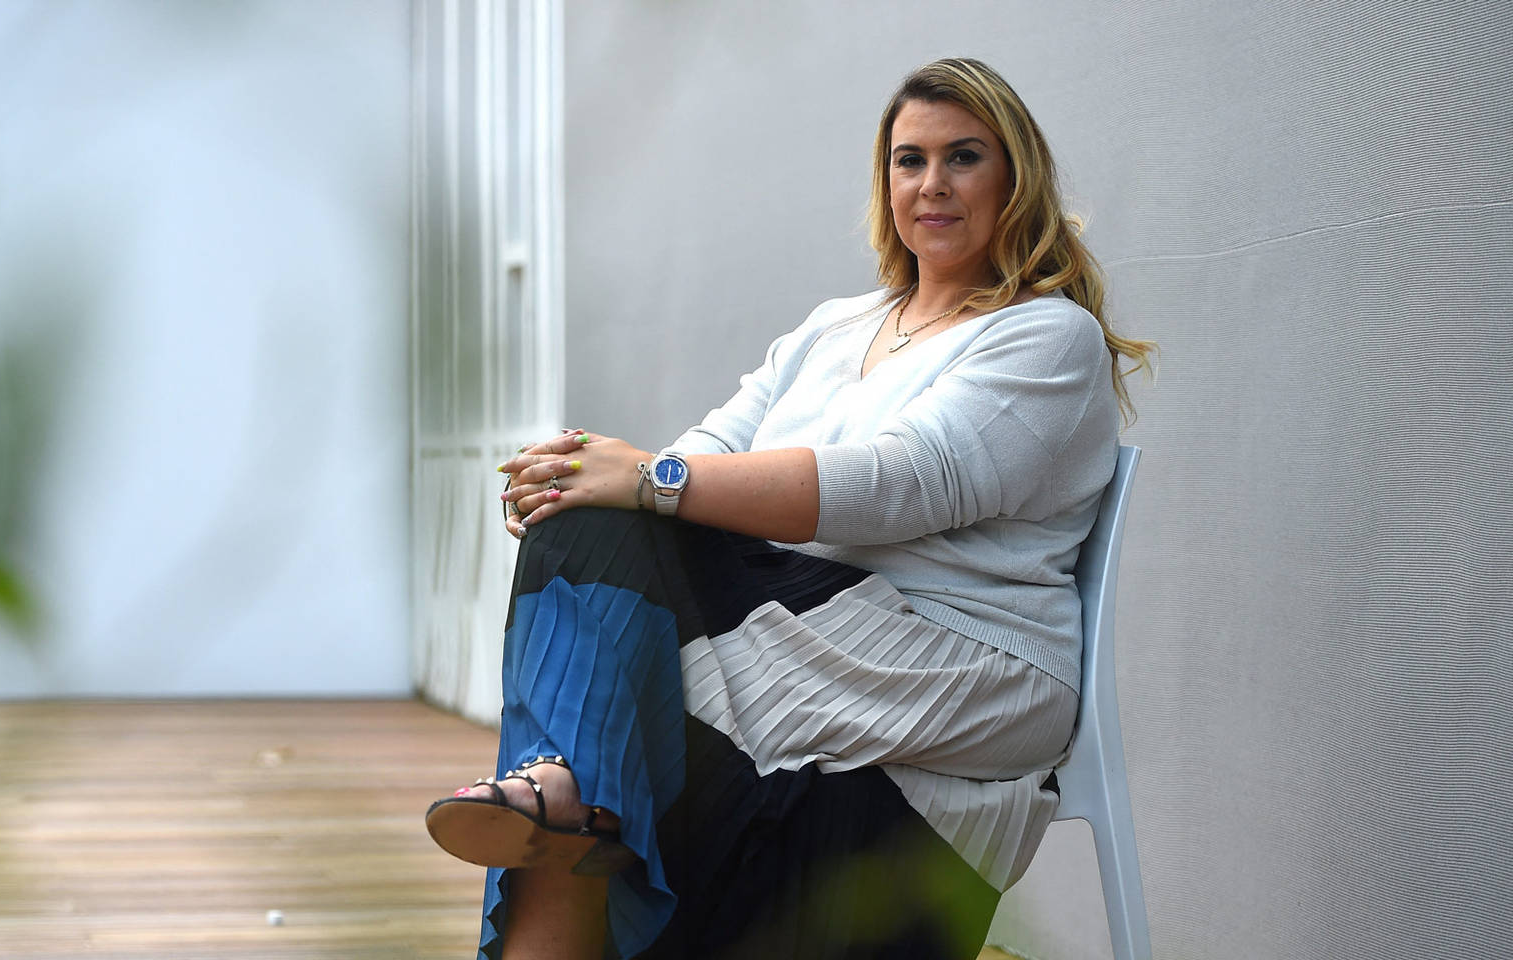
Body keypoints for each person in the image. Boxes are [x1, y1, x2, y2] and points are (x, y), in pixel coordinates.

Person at [424, 57, 1156, 960]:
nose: (931, 184)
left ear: (1015, 178)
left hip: (952, 656)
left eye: (963, 157)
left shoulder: (1045, 335)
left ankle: (562, 784)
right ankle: (567, 789)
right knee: (586, 526)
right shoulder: (835, 327)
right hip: (806, 629)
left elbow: (900, 484)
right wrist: (594, 478)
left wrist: (646, 478)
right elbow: (715, 449)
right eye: (908, 160)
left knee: (614, 670)